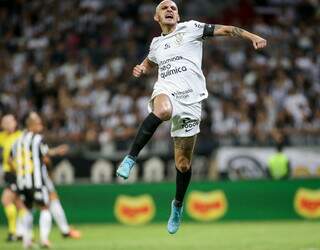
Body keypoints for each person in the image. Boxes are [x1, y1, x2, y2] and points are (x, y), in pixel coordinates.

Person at [116, 0, 267, 234]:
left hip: (192, 102)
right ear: (156, 18)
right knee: (163, 110)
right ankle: (131, 158)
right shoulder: (156, 43)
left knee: (183, 164)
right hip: (166, 91)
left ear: (178, 15)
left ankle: (177, 205)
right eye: (164, 8)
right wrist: (142, 68)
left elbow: (226, 29)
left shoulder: (191, 28)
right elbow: (149, 60)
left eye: (173, 8)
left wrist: (251, 36)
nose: (169, 10)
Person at [0, 114, 23, 241]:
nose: (7, 124)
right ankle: (22, 232)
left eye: (10, 121)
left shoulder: (20, 136)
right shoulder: (2, 137)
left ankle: (12, 232)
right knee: (19, 204)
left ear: (15, 123)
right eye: (5, 122)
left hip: (17, 173)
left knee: (6, 200)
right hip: (8, 174)